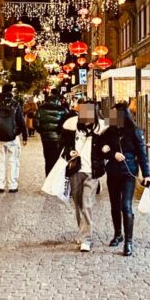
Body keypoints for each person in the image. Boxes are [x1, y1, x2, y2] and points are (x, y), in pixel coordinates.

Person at [59, 100, 109, 252]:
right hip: (76, 170)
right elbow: (62, 144)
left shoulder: (102, 127)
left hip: (92, 172)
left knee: (87, 203)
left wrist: (105, 150)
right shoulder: (71, 125)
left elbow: (110, 143)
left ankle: (86, 238)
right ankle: (82, 232)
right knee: (78, 203)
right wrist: (70, 152)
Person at [104, 101, 150, 257]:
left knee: (126, 206)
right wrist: (112, 154)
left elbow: (142, 154)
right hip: (112, 173)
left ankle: (128, 242)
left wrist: (146, 174)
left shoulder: (134, 131)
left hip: (128, 173)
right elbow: (101, 149)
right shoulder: (109, 131)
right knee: (115, 205)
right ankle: (118, 234)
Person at [0, 82, 27, 192]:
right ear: (11, 91)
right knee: (13, 161)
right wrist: (24, 136)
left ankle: (0, 184)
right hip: (13, 137)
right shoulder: (15, 103)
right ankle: (12, 185)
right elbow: (20, 121)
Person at [36, 91, 68, 175]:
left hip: (46, 138)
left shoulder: (41, 109)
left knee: (48, 159)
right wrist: (61, 133)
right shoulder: (62, 109)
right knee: (57, 158)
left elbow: (35, 123)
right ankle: (56, 178)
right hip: (58, 138)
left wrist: (42, 131)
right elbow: (67, 123)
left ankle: (48, 177)